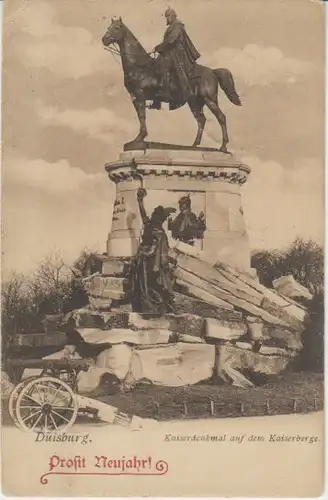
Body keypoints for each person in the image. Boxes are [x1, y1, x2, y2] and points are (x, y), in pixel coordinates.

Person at [128, 187, 176, 314]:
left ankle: (153, 307)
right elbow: (144, 216)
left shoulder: (156, 230)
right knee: (146, 285)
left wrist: (140, 201)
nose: (152, 216)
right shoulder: (154, 228)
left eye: (155, 215)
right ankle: (150, 307)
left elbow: (160, 250)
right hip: (147, 261)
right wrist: (139, 201)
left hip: (149, 262)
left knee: (150, 285)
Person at [150, 7, 201, 110]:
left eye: (168, 16)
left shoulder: (177, 26)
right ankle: (157, 100)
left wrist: (158, 47)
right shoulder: (173, 26)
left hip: (177, 53)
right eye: (166, 17)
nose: (167, 19)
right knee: (156, 64)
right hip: (171, 52)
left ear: (172, 16)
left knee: (163, 66)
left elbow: (171, 40)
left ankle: (166, 93)